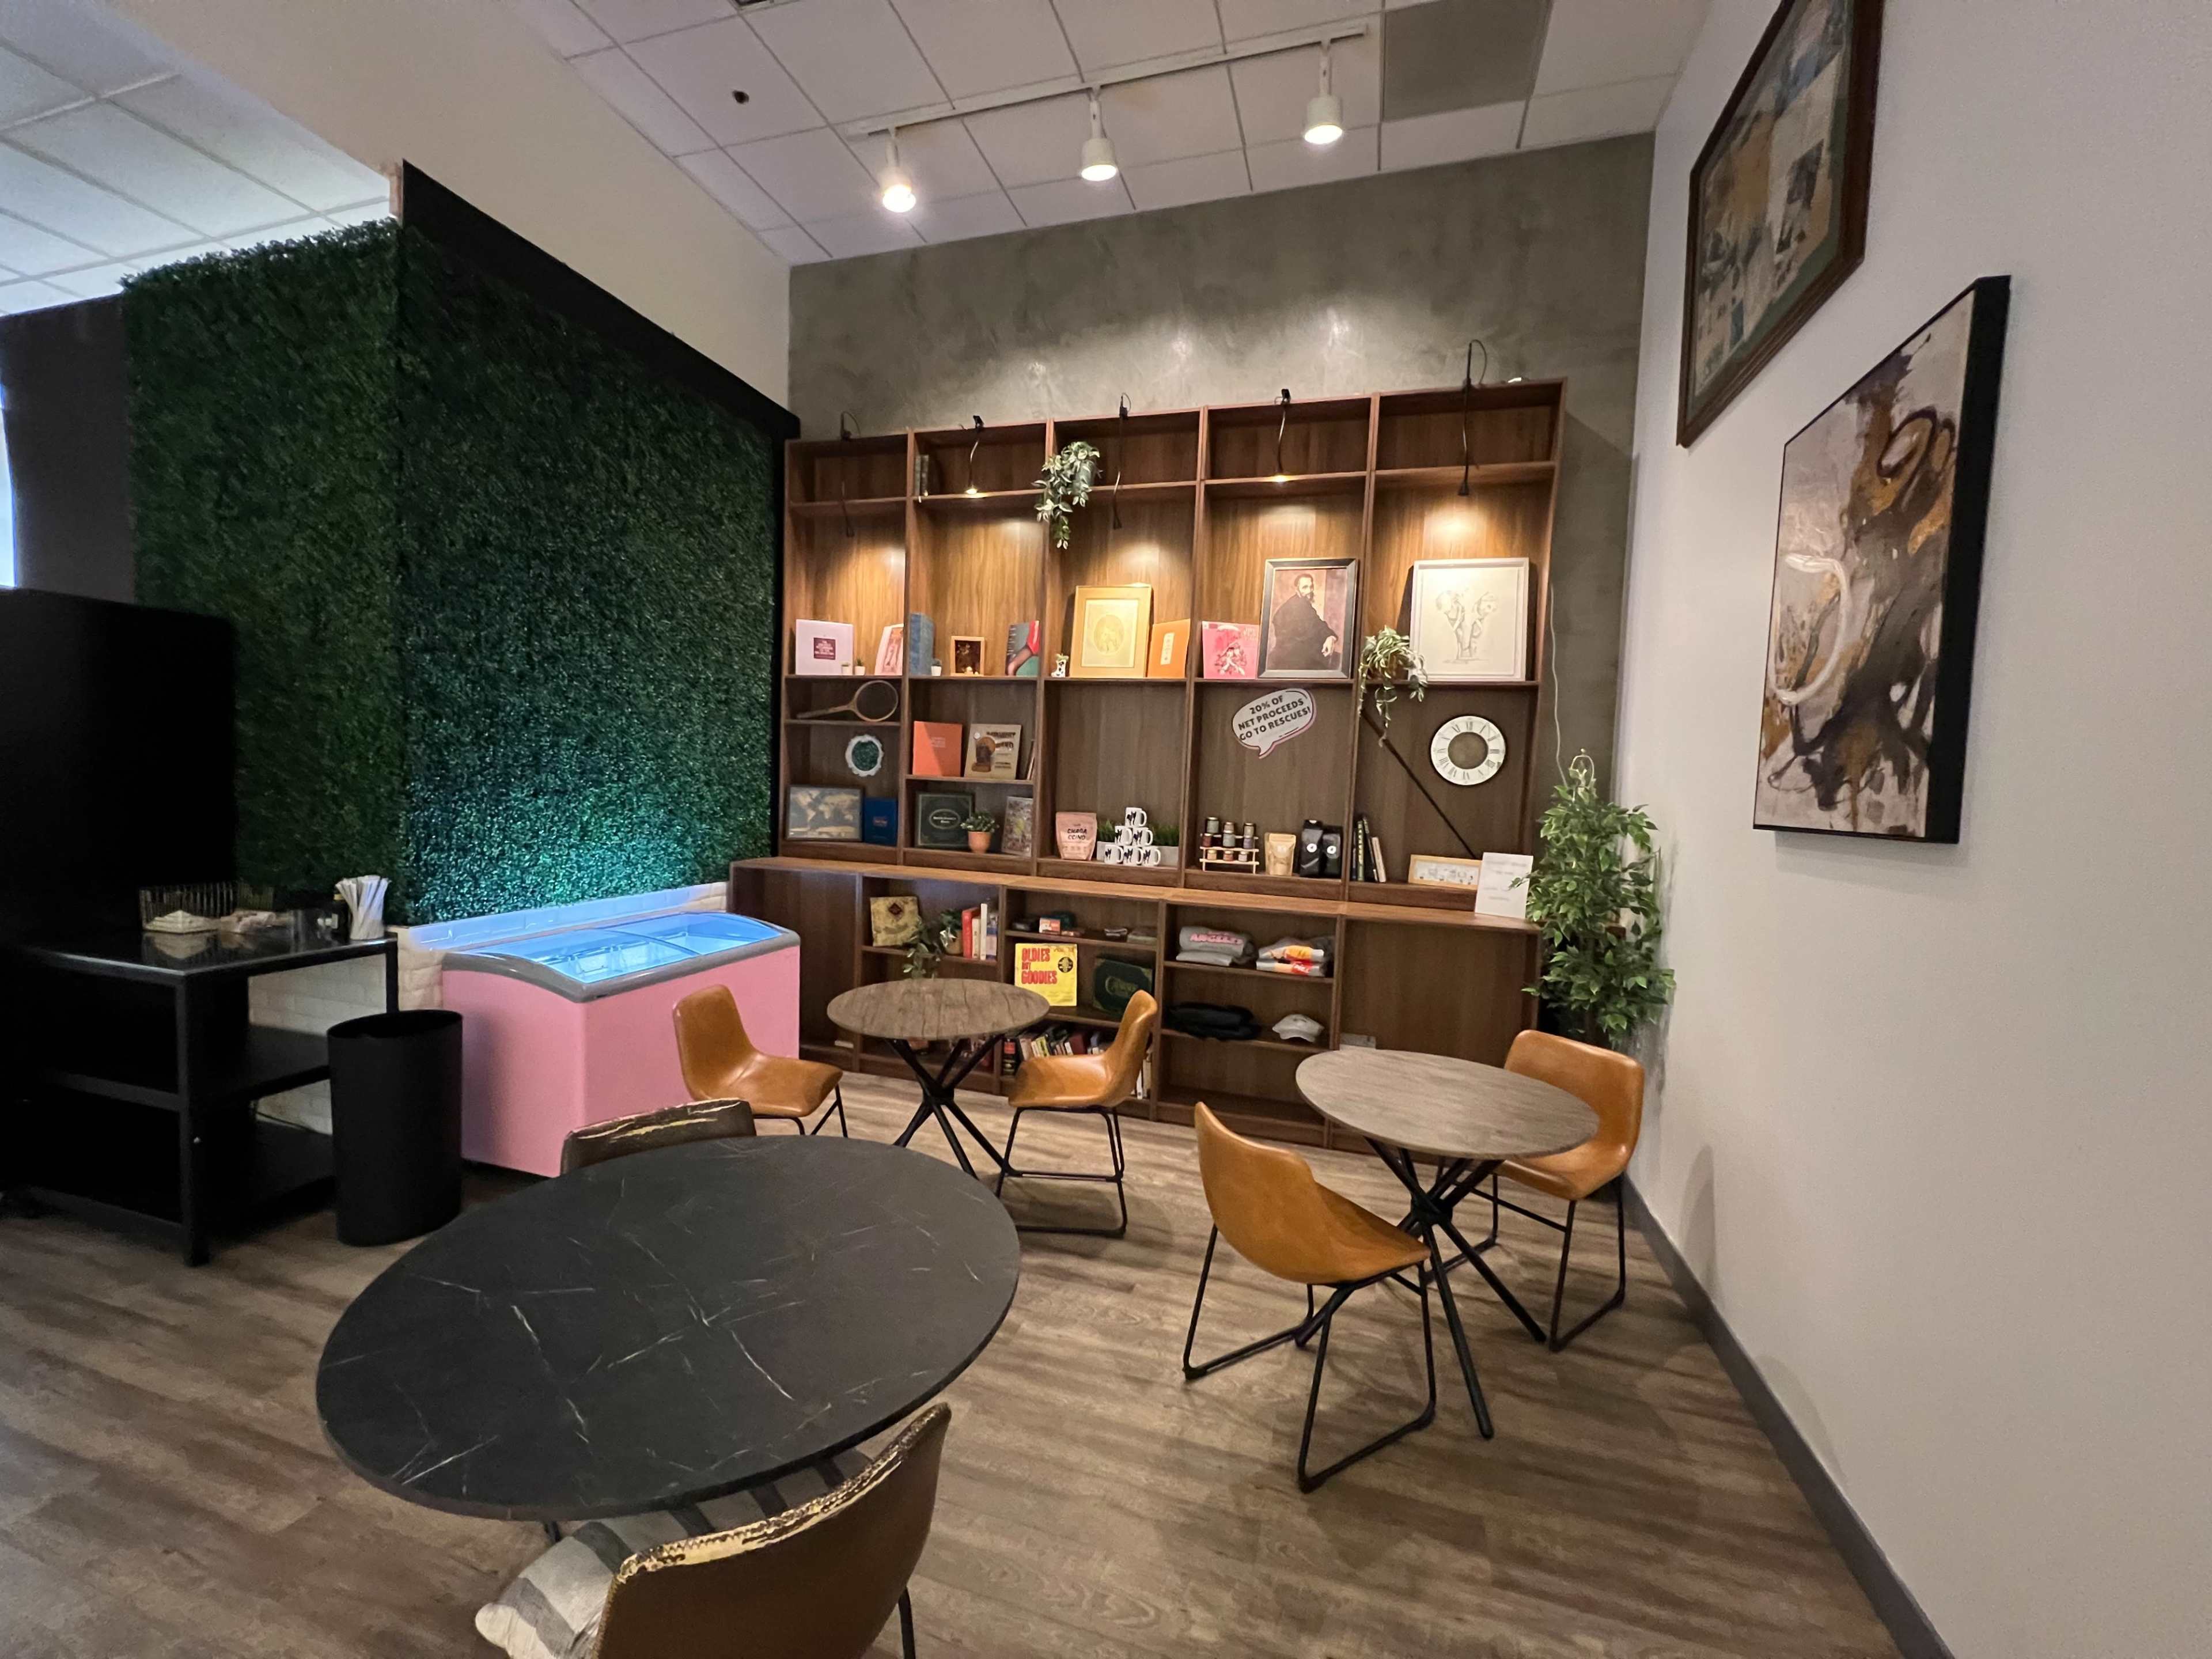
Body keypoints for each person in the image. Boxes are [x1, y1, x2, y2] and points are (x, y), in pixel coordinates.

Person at [1267, 571, 1340, 672]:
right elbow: (1293, 640)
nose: (1309, 591)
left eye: (1311, 587)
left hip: (1302, 654)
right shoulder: (1292, 607)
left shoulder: (1304, 605)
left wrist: (1330, 637)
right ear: (1297, 589)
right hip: (1289, 659)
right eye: (1305, 587)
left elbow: (1318, 624)